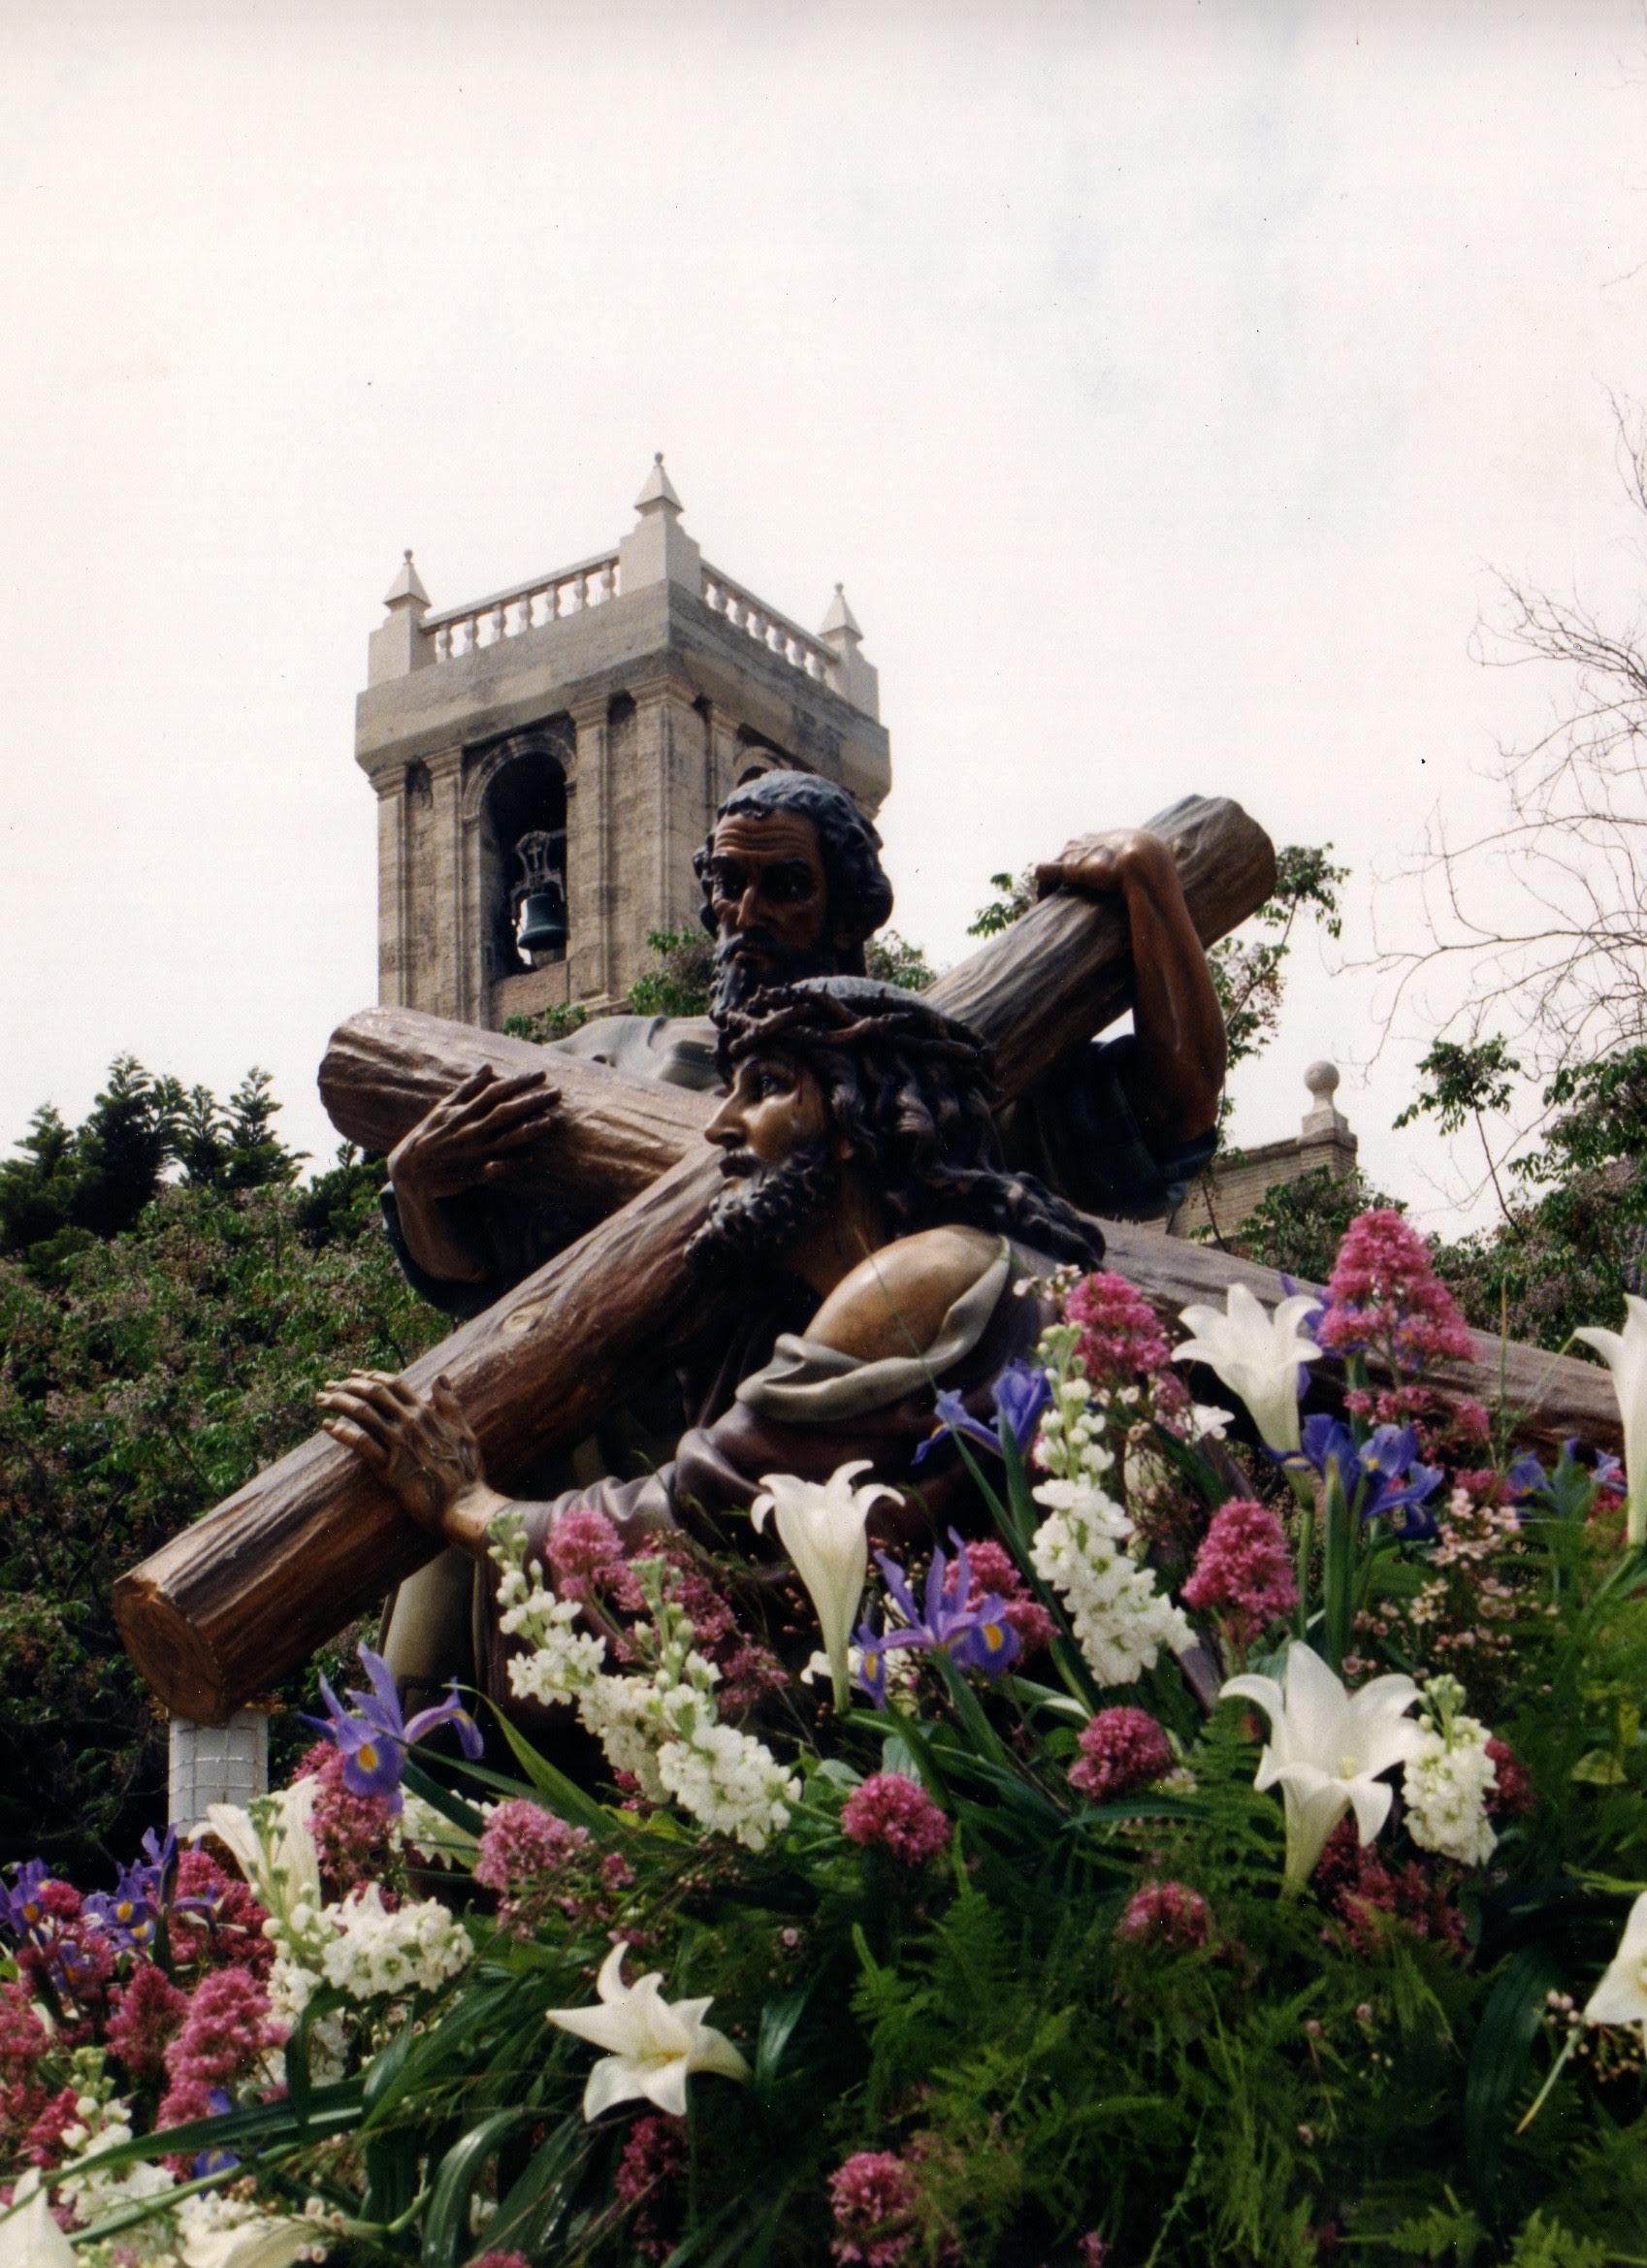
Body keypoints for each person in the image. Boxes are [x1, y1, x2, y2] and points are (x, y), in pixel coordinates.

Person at [321, 978, 1107, 1713]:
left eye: (765, 1088)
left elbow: (698, 1528)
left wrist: (468, 1506)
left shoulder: (913, 1279)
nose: (717, 1125)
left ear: (852, 1117)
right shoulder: (952, 1265)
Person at [380, 768, 1227, 1317]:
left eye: (784, 886)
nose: (746, 913)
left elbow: (1173, 1107)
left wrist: (1149, 880)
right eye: (728, 883)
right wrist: (419, 1193)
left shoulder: (920, 1075)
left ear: (849, 914)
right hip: (628, 1476)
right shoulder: (605, 1060)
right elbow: (480, 1274)